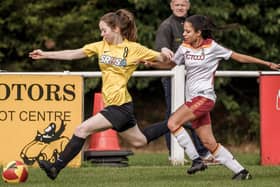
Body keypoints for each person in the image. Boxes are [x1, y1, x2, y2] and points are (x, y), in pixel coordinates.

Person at [29, 9, 179, 180]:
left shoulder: (134, 49)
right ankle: (177, 122)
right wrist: (45, 54)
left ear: (116, 29)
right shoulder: (100, 46)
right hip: (117, 106)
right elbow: (72, 54)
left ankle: (56, 167)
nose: (101, 34)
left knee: (82, 129)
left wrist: (165, 53)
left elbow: (164, 59)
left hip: (120, 106)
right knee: (140, 141)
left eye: (104, 30)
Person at [143, 14, 280, 180]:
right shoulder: (184, 47)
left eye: (187, 31)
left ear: (198, 32)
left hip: (205, 98)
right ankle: (241, 172)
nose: (184, 34)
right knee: (209, 143)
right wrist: (153, 63)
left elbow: (239, 57)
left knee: (173, 122)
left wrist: (267, 64)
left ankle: (196, 160)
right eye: (184, 31)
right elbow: (171, 64)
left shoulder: (213, 47)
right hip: (193, 101)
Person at [155, 0, 211, 161]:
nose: (180, 8)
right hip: (172, 76)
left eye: (183, 5)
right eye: (177, 5)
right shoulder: (166, 25)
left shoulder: (195, 23)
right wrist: (164, 51)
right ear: (171, 6)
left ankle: (203, 152)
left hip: (194, 77)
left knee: (196, 112)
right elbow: (162, 49)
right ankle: (174, 153)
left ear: (188, 5)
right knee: (172, 113)